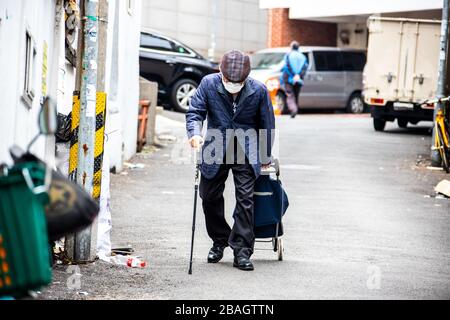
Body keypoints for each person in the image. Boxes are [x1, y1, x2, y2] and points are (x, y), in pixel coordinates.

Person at [186, 50, 275, 271]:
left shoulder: (259, 90)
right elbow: (195, 112)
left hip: (246, 149)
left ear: (247, 77)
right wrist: (195, 133)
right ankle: (220, 239)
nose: (233, 84)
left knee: (245, 200)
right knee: (208, 196)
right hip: (215, 146)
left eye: (239, 82)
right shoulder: (208, 84)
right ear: (220, 72)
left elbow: (267, 125)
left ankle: (242, 251)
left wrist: (265, 156)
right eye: (229, 81)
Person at [280, 41, 308, 118]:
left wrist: (293, 75)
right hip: (299, 79)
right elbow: (305, 68)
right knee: (296, 94)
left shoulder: (288, 55)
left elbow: (286, 66)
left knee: (290, 95)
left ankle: (293, 110)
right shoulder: (303, 56)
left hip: (289, 78)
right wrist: (298, 75)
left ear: (291, 47)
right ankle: (295, 109)